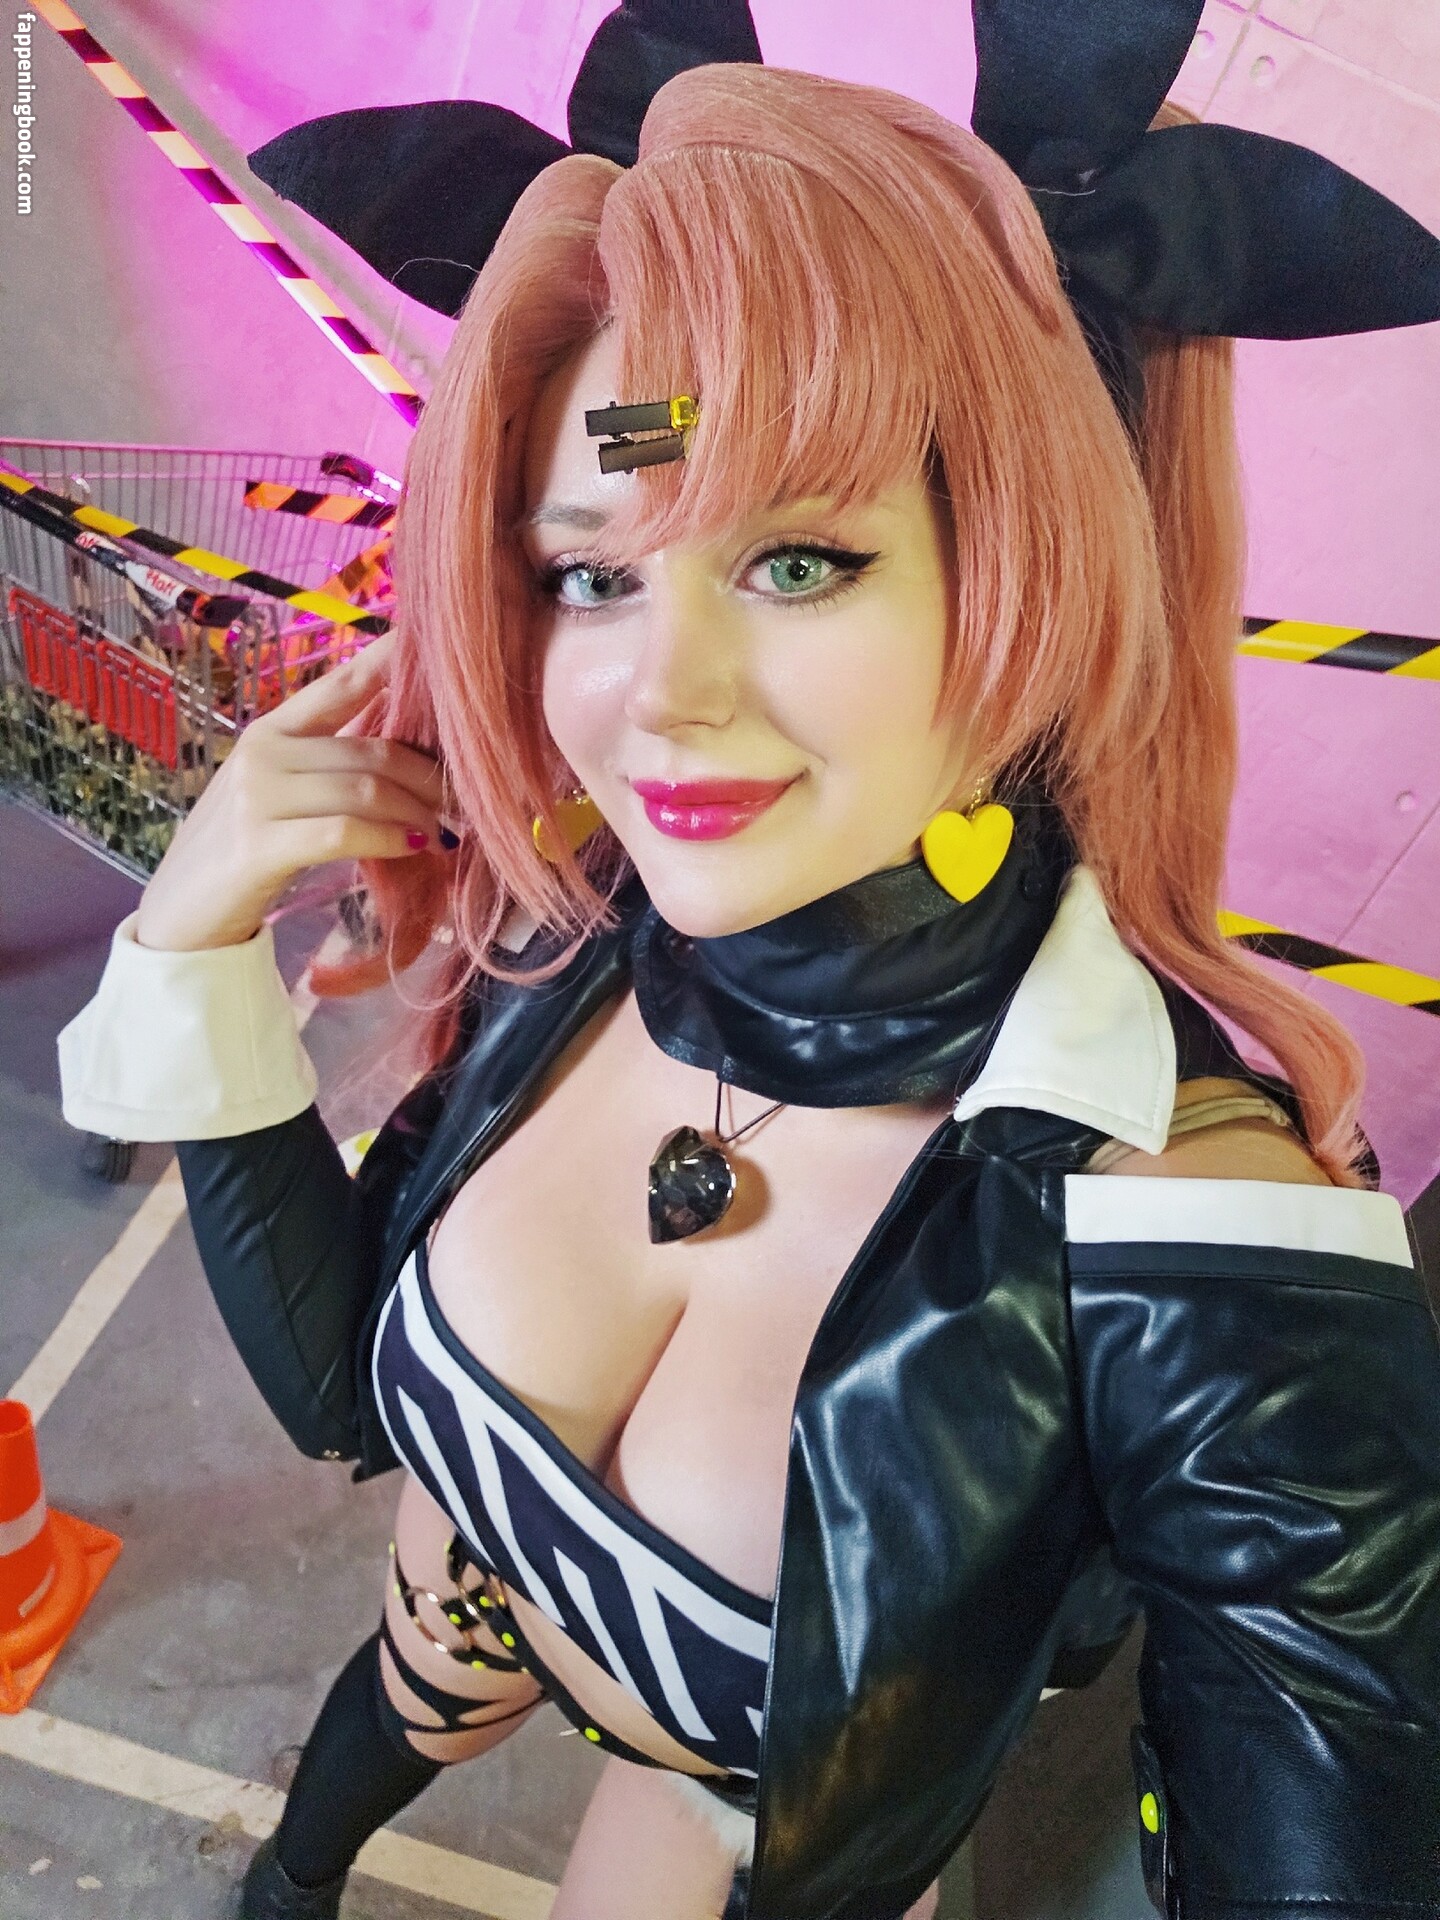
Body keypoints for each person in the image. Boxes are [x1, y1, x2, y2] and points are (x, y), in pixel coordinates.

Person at [58, 22, 1440, 1920]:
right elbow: (345, 1392)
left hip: (723, 1827)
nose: (660, 700)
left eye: (798, 561)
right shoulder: (578, 942)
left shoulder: (1191, 1232)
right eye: (593, 575)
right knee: (384, 1725)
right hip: (448, 1620)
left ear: (1023, 576)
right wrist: (191, 935)